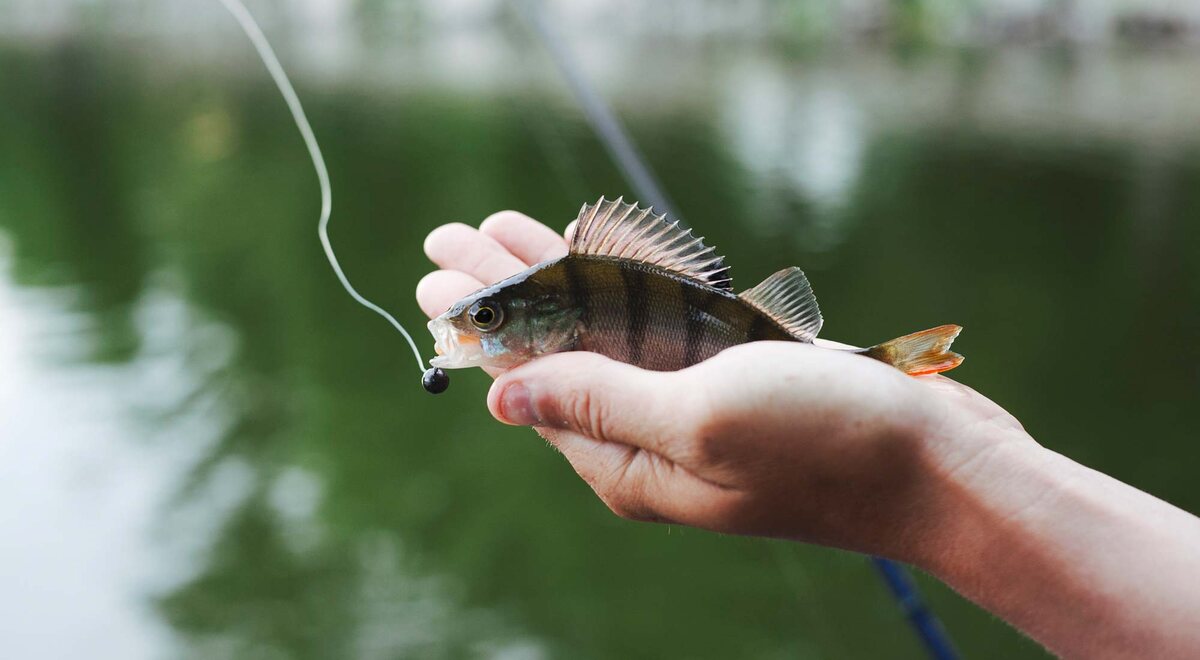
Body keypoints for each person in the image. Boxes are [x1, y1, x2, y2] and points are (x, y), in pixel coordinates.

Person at [416, 210, 1200, 660]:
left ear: (545, 317)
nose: (474, 326)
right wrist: (959, 463)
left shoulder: (567, 322)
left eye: (485, 316)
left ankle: (885, 369)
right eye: (481, 316)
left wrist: (926, 464)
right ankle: (889, 370)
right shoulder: (558, 311)